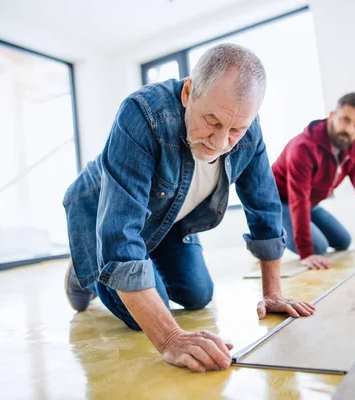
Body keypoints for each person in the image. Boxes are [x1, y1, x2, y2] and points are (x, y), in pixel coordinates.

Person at [62, 44, 314, 373]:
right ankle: (84, 273)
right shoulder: (141, 114)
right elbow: (119, 238)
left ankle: (124, 263)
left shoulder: (247, 128)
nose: (221, 142)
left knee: (198, 294)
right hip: (100, 214)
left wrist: (273, 292)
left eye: (235, 130)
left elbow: (265, 207)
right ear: (188, 92)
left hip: (166, 219)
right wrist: (170, 339)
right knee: (146, 316)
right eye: (212, 121)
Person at [272, 92, 355, 270]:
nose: (350, 130)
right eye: (345, 120)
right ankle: (265, 235)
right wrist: (306, 252)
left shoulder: (351, 147)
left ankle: (295, 231)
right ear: (332, 115)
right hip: (278, 202)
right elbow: (298, 197)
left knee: (343, 241)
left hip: (308, 203)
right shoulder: (303, 148)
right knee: (317, 247)